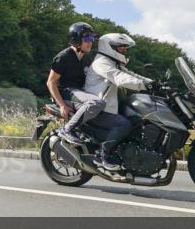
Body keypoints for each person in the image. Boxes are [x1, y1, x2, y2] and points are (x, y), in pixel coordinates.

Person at [83, 33, 152, 169]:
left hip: (110, 106)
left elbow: (130, 74)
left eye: (125, 47)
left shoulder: (113, 63)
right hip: (98, 110)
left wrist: (152, 83)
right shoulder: (101, 63)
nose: (124, 50)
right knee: (123, 125)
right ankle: (102, 155)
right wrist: (145, 85)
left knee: (137, 120)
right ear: (110, 47)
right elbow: (120, 78)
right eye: (121, 47)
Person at [47, 22, 100, 146]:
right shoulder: (63, 57)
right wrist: (61, 105)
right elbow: (51, 82)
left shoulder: (87, 58)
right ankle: (67, 130)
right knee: (96, 103)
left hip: (80, 93)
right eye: (87, 38)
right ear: (76, 40)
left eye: (92, 38)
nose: (90, 42)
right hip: (66, 93)